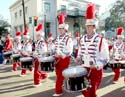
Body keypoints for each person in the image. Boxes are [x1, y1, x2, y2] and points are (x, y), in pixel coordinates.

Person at [75, 3, 109, 97]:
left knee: (91, 92)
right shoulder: (82, 39)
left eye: (91, 26)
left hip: (95, 71)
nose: (88, 28)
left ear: (95, 26)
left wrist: (97, 65)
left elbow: (106, 58)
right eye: (87, 26)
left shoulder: (101, 40)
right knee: (83, 89)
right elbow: (80, 52)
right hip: (84, 68)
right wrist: (78, 57)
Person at [53, 13, 73, 97]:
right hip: (57, 59)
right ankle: (65, 84)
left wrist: (61, 54)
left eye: (62, 29)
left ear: (65, 29)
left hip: (64, 59)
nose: (60, 30)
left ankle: (58, 91)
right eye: (59, 29)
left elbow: (69, 51)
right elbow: (55, 47)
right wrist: (53, 51)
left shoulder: (68, 38)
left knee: (60, 76)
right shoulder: (57, 38)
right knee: (58, 74)